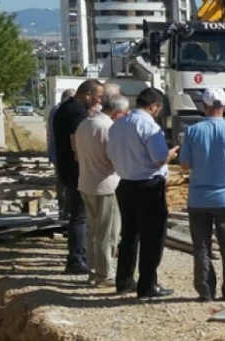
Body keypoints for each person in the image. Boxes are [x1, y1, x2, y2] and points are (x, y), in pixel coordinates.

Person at [107, 87, 179, 299]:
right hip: (148, 184)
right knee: (152, 237)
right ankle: (148, 285)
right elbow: (158, 157)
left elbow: (111, 154)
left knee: (129, 235)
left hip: (125, 184)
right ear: (154, 106)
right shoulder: (148, 125)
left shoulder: (117, 125)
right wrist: (170, 155)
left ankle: (124, 280)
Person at [179, 87, 225, 302]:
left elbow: (184, 165)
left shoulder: (193, 131)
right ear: (224, 106)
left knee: (201, 248)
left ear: (204, 106)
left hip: (199, 197)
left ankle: (205, 291)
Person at [74, 93, 129, 286]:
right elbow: (113, 158)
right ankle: (104, 274)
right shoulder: (108, 128)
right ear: (117, 112)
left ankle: (93, 270)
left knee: (94, 231)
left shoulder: (84, 124)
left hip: (86, 183)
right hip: (105, 185)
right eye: (125, 113)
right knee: (108, 232)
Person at [53, 79, 104, 275]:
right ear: (88, 95)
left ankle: (80, 256)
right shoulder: (76, 112)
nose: (99, 101)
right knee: (80, 216)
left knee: (79, 214)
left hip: (68, 169)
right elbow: (76, 144)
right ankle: (76, 259)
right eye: (98, 97)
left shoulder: (65, 108)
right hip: (77, 171)